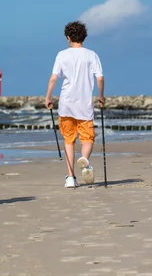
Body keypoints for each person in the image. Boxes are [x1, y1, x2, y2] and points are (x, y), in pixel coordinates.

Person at [45, 21, 104, 188]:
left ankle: (70, 177)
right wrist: (100, 96)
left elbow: (53, 78)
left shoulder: (62, 55)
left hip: (66, 104)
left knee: (68, 140)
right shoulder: (91, 55)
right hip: (84, 104)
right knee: (87, 138)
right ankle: (84, 159)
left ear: (68, 37)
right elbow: (99, 78)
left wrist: (48, 97)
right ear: (83, 37)